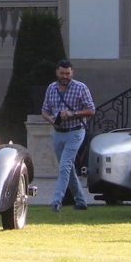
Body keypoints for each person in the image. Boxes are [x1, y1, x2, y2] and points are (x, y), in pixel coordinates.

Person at [40, 59, 94, 212]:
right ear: (57, 72)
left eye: (68, 73)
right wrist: (51, 119)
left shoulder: (80, 88)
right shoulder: (51, 88)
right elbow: (44, 110)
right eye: (62, 73)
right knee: (67, 168)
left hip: (76, 131)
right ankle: (81, 201)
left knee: (64, 166)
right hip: (58, 133)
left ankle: (57, 201)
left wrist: (73, 114)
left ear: (72, 73)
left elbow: (91, 110)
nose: (65, 76)